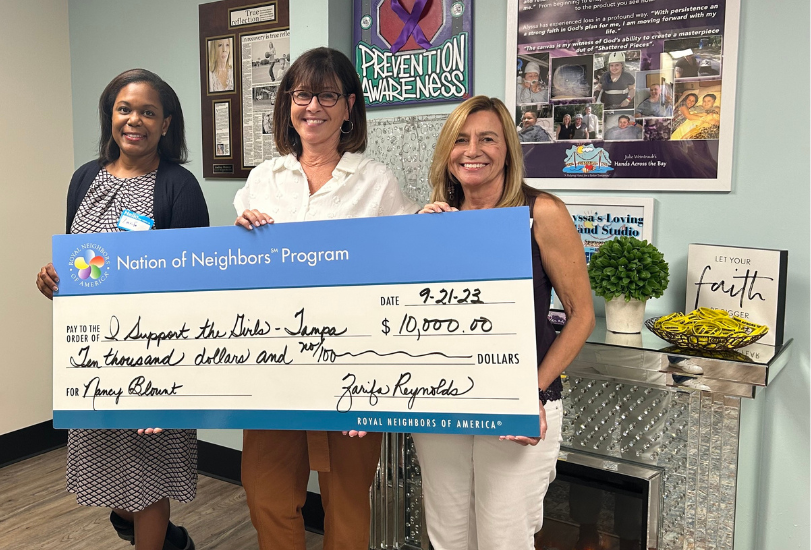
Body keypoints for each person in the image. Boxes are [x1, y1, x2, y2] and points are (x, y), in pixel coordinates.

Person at [232, 47, 417, 550]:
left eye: (328, 95)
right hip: (273, 364)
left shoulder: (375, 181)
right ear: (288, 104)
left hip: (354, 365)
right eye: (302, 94)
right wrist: (238, 238)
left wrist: (435, 226)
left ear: (349, 106)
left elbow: (407, 264)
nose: (313, 106)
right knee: (266, 493)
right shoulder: (261, 180)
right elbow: (241, 272)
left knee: (349, 500)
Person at [35, 69, 208, 550]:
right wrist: (56, 279)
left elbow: (196, 282)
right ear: (110, 116)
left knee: (148, 475)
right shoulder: (84, 178)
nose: (135, 120)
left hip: (157, 352)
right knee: (112, 478)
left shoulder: (178, 186)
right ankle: (173, 542)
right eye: (124, 109)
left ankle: (161, 541)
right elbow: (79, 260)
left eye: (148, 112)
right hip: (94, 353)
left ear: (167, 124)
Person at [412, 95, 595, 550]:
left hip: (516, 404)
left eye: (487, 138)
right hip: (443, 406)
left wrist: (529, 392)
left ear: (508, 148)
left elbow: (581, 316)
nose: (472, 150)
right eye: (461, 139)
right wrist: (413, 236)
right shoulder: (437, 219)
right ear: (447, 151)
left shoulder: (541, 213)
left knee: (503, 540)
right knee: (448, 537)